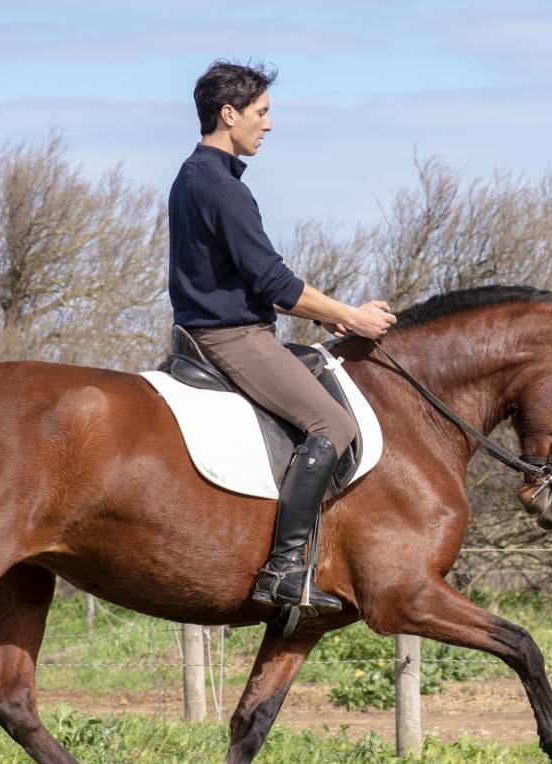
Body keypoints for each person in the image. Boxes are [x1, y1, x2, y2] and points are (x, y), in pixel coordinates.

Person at [167, 60, 396, 615]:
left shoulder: (197, 177)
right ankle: (286, 569)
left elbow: (251, 279)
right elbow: (273, 280)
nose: (267, 126)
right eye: (261, 113)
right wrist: (353, 316)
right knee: (333, 423)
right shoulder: (221, 187)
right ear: (229, 114)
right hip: (231, 338)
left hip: (219, 329)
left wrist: (324, 319)